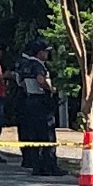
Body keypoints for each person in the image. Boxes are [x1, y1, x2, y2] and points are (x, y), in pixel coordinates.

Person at [22, 39, 67, 176]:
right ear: (39, 52)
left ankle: (37, 166)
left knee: (34, 134)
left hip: (30, 100)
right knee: (47, 135)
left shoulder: (26, 65)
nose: (47, 54)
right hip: (41, 101)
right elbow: (41, 81)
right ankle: (50, 166)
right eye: (46, 51)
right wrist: (51, 89)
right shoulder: (38, 66)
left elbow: (21, 82)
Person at [14, 41, 38, 168]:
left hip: (21, 97)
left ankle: (26, 157)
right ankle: (33, 158)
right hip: (27, 96)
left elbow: (18, 80)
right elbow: (22, 83)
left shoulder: (19, 62)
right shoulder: (31, 63)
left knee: (23, 129)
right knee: (32, 128)